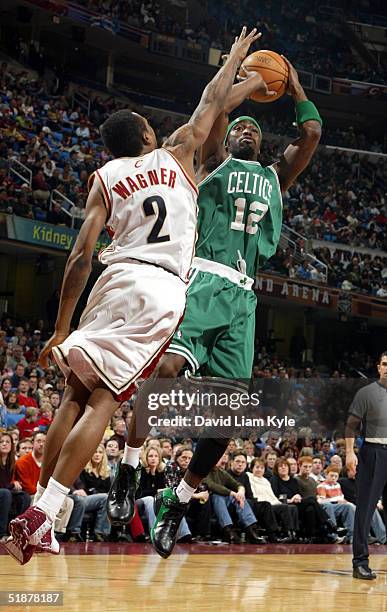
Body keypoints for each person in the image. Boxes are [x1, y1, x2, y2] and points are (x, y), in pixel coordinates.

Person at [4, 26, 259, 565]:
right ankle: (42, 513)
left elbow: (77, 259)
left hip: (110, 281)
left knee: (75, 393)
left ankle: (41, 512)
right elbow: (213, 101)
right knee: (105, 401)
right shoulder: (178, 152)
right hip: (160, 287)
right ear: (148, 136)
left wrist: (60, 328)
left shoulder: (104, 177)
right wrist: (235, 59)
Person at [109, 53, 322, 560]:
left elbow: (310, 135)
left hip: (244, 300)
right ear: (225, 140)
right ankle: (131, 463)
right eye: (238, 128)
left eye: (254, 129)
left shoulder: (275, 177)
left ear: (263, 142)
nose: (247, 131)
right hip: (204, 280)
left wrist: (293, 89)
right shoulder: (210, 163)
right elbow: (221, 107)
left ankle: (178, 499)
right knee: (165, 369)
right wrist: (243, 79)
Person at [345, 351, 387, 580]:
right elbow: (351, 425)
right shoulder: (366, 393)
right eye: (385, 364)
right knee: (365, 510)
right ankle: (360, 562)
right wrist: (350, 452)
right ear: (379, 367)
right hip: (373, 452)